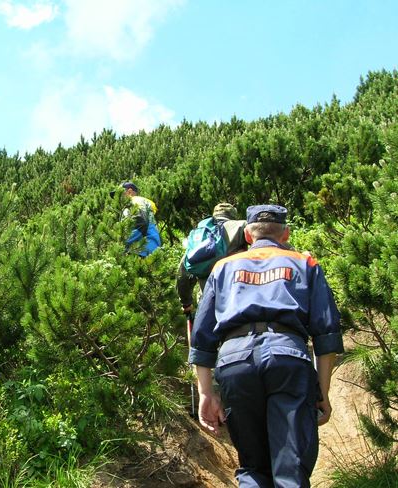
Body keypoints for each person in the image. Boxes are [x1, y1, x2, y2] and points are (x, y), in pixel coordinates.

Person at [188, 204, 343, 488]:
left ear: (247, 234)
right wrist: (322, 391)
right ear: (286, 234)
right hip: (288, 358)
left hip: (235, 362)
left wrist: (206, 392)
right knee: (290, 467)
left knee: (252, 467)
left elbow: (202, 337)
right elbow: (326, 334)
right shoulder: (305, 263)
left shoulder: (222, 267)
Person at [176, 202, 247, 313]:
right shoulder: (241, 226)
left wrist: (186, 303)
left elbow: (183, 273)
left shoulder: (201, 235)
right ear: (233, 216)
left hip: (207, 300)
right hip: (236, 297)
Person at [119, 181, 161, 257]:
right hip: (150, 249)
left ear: (129, 192)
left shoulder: (135, 201)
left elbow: (141, 222)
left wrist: (123, 244)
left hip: (140, 250)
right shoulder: (142, 203)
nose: (118, 198)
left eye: (120, 194)